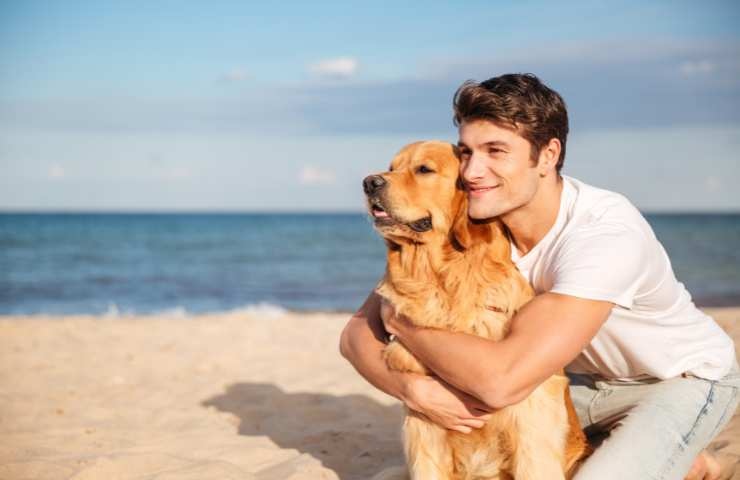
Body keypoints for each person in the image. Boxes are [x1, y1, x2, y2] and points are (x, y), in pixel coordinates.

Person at [339, 73, 739, 480]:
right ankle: (651, 455)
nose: (474, 171)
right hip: (579, 379)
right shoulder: (478, 225)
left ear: (547, 155)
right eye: (467, 152)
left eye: (496, 151)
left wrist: (401, 322)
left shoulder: (603, 234)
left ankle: (678, 457)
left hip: (678, 379)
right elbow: (355, 338)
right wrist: (410, 389)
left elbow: (500, 384)